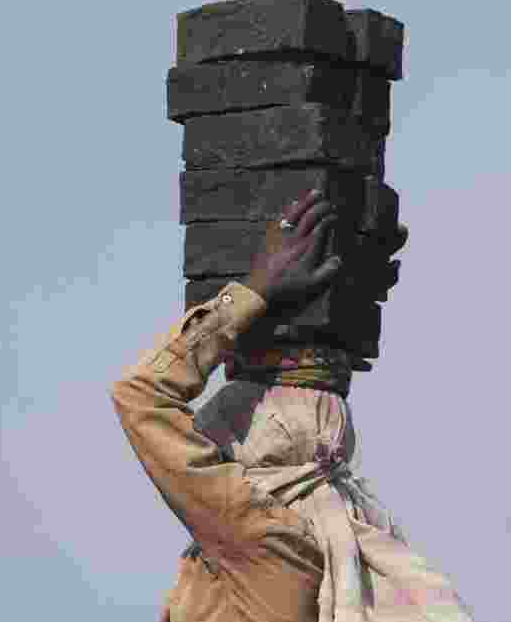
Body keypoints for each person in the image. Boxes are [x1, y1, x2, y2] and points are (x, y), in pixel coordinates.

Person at [111, 189, 475, 622]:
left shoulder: (250, 530)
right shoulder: (359, 539)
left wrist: (253, 290)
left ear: (245, 438)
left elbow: (141, 394)